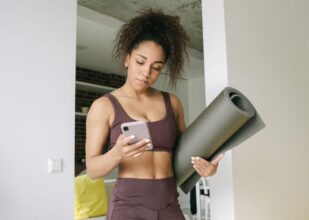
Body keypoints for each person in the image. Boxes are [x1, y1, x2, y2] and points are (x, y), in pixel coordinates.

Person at [85, 8, 225, 220]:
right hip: (128, 206)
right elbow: (93, 170)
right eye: (140, 62)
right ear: (127, 58)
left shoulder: (172, 103)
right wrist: (117, 153)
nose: (146, 73)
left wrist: (206, 169)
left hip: (169, 203)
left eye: (156, 67)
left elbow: (186, 155)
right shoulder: (104, 106)